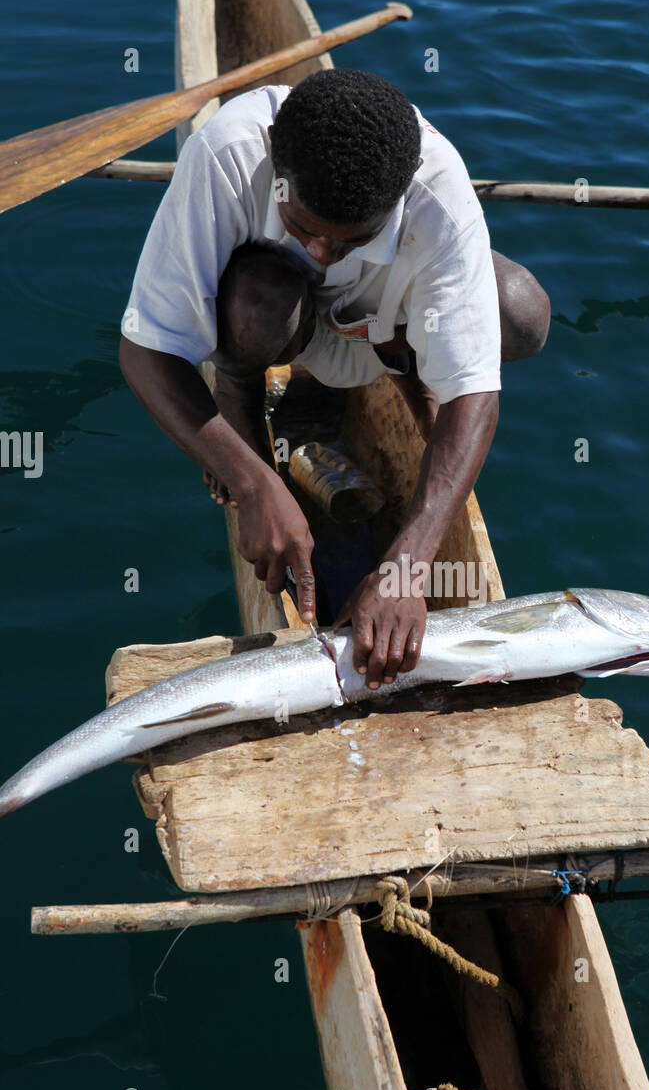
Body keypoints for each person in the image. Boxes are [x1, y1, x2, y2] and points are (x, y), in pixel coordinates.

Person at [119, 67, 550, 688]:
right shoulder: (227, 154)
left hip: (377, 327)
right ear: (275, 160)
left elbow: (476, 394)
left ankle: (410, 365)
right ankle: (238, 390)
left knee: (520, 312)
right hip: (273, 322)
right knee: (259, 300)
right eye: (303, 229)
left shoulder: (440, 194)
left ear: (399, 198)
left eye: (350, 240)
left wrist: (405, 570)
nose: (320, 255)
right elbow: (145, 350)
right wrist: (253, 484)